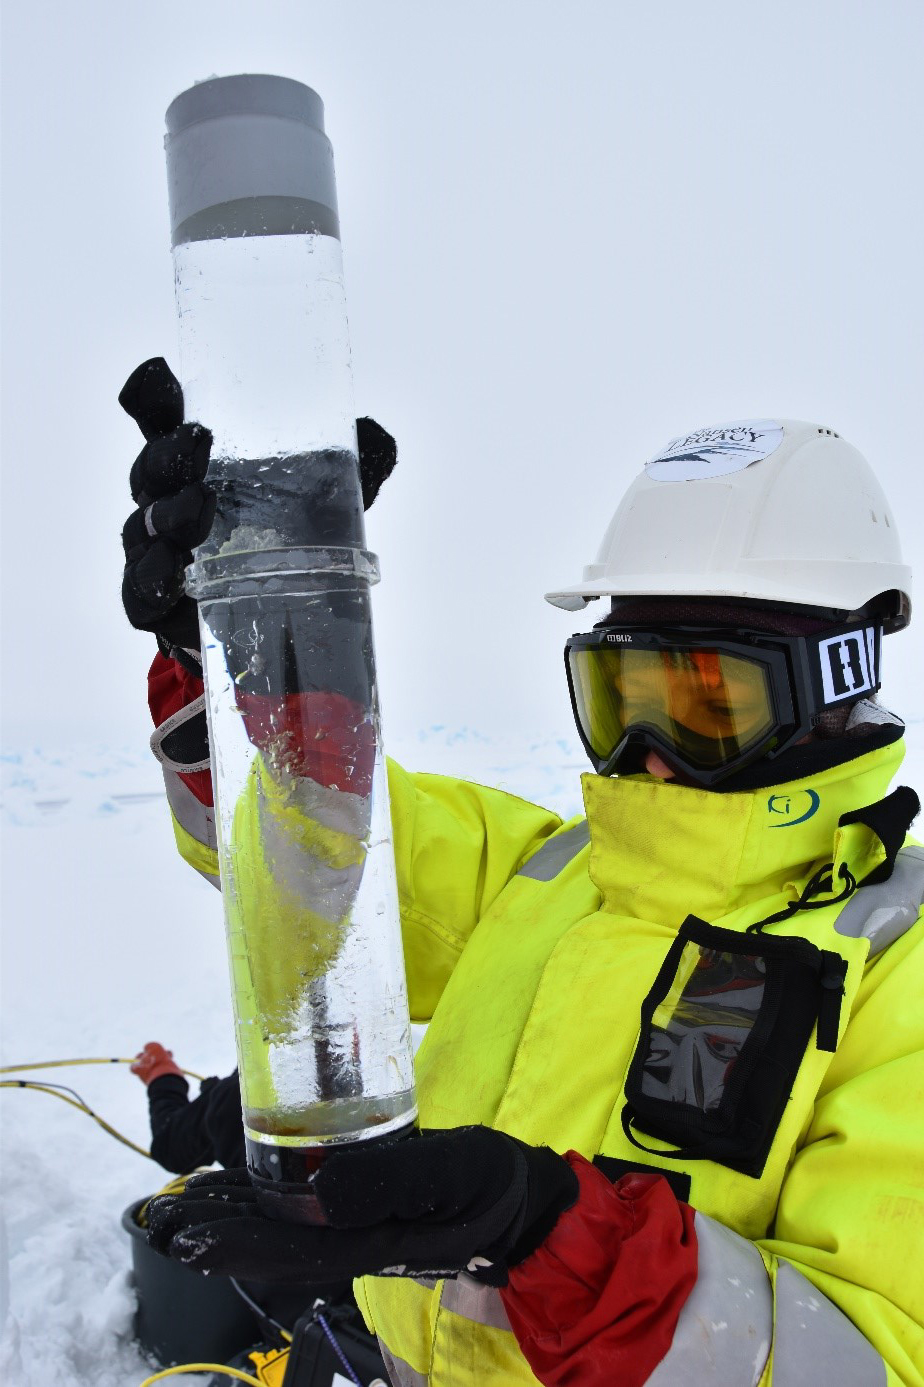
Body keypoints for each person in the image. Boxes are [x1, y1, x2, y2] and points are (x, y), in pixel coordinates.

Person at [121, 383, 924, 1386]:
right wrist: (257, 655)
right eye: (618, 693)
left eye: (704, 702)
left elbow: (876, 1356)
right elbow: (310, 856)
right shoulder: (551, 870)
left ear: (834, 685)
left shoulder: (897, 972)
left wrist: (550, 1234)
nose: (647, 755)